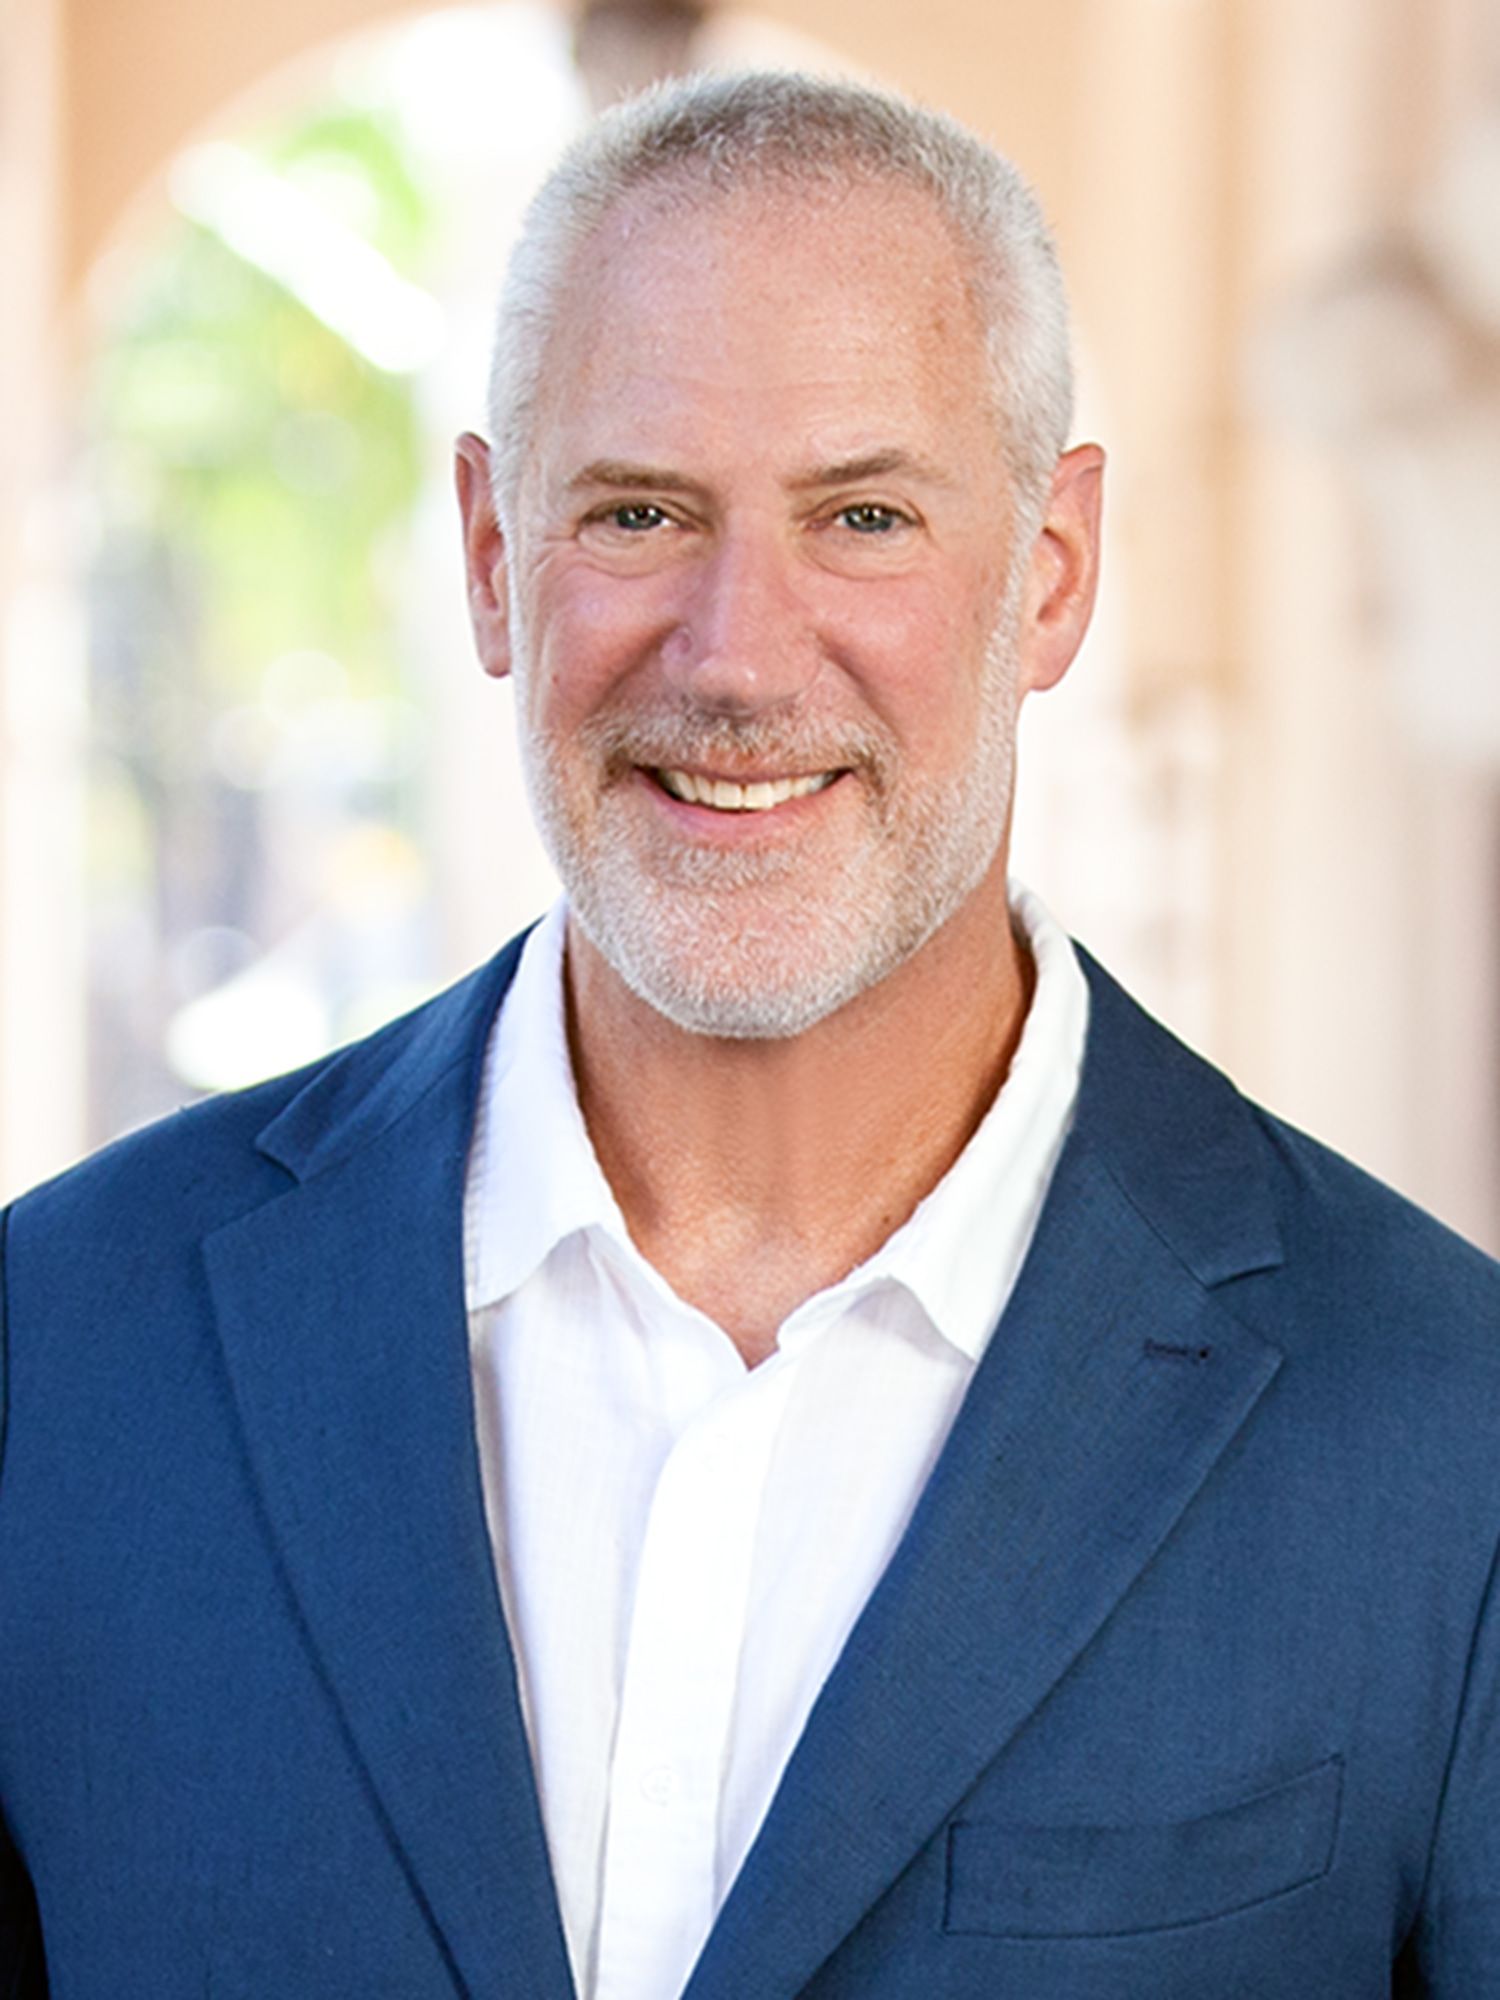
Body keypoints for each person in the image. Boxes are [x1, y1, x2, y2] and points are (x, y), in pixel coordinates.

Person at [2, 68, 1498, 2000]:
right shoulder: (61, 1357)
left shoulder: (1443, 1438)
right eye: (637, 511)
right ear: (486, 556)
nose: (735, 654)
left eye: (863, 514)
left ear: (1050, 570)